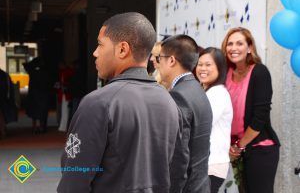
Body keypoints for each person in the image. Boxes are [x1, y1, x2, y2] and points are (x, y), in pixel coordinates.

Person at [57, 12, 181, 193]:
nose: (95, 52)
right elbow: (176, 169)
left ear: (122, 49)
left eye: (100, 45)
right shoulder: (168, 101)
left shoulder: (99, 103)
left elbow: (74, 178)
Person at [221, 27, 280, 193]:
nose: (234, 48)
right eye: (230, 44)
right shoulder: (226, 74)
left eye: (239, 43)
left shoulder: (259, 72)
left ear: (249, 48)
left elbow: (260, 117)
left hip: (260, 148)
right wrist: (233, 146)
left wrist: (239, 146)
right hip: (238, 150)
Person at [156, 34, 212, 193]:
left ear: (172, 60)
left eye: (159, 59)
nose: (157, 65)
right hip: (200, 185)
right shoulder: (197, 89)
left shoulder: (178, 95)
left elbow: (179, 157)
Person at [194, 47, 233, 193]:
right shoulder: (207, 92)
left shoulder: (217, 94)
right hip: (206, 164)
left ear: (220, 68)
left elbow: (200, 126)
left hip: (211, 165)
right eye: (200, 64)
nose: (202, 68)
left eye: (208, 65)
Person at [23, 57, 50, 133]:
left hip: (34, 94)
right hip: (43, 94)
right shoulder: (45, 72)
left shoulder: (32, 71)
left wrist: (33, 62)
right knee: (42, 111)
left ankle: (34, 127)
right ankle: (42, 127)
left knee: (34, 112)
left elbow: (25, 65)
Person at [0, 68, 17, 139]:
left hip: (2, 96)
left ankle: (3, 131)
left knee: (1, 114)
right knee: (2, 114)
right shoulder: (4, 74)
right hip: (3, 97)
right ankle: (3, 131)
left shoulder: (3, 75)